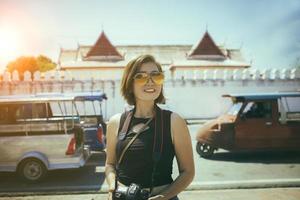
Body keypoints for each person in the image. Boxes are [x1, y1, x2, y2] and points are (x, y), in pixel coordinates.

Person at [105, 55, 195, 200]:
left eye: (156, 76)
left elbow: (188, 172)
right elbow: (110, 164)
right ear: (130, 83)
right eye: (141, 76)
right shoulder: (115, 122)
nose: (150, 82)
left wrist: (163, 197)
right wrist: (112, 187)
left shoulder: (174, 121)